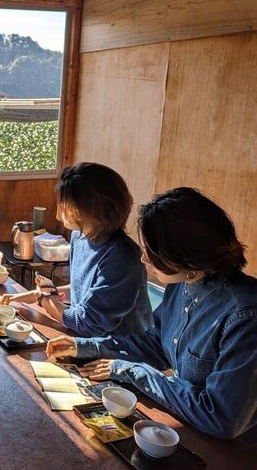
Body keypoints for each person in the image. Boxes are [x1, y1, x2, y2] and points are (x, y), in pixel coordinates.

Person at [47, 188, 257, 442]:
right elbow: (156, 343)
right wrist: (83, 346)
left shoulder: (245, 315)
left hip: (235, 452)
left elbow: (221, 417)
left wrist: (134, 371)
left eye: (152, 251)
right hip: (189, 429)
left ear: (185, 253)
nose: (143, 257)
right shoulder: (184, 284)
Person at [13, 162, 152, 337]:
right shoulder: (79, 237)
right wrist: (40, 293)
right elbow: (82, 291)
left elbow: (88, 323)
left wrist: (44, 300)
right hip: (88, 341)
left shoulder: (121, 256)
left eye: (64, 204)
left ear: (87, 208)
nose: (59, 212)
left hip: (120, 351)